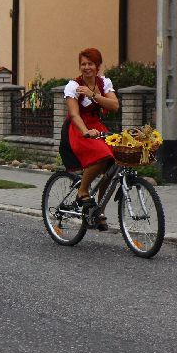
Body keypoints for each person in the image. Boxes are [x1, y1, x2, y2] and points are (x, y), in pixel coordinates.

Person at [59, 47, 119, 230]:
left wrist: (93, 95)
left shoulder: (103, 83)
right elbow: (75, 115)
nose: (86, 67)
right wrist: (86, 131)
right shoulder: (73, 86)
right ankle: (82, 191)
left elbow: (115, 105)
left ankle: (98, 211)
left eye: (90, 63)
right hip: (78, 128)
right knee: (102, 155)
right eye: (83, 64)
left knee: (114, 163)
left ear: (98, 66)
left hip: (96, 126)